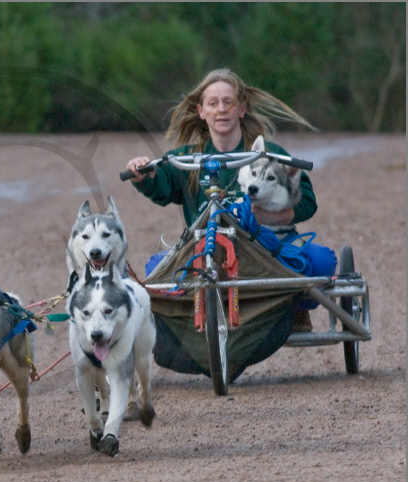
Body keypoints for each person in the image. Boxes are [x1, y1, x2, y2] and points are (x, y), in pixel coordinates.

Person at [125, 68, 320, 331]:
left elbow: (307, 202)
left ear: (242, 109)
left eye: (228, 102)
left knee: (322, 262)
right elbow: (161, 186)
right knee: (155, 269)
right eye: (213, 103)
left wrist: (267, 217)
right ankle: (187, 321)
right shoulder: (185, 158)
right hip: (205, 250)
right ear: (201, 111)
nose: (221, 110)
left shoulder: (270, 154)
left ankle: (294, 310)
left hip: (265, 248)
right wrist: (142, 173)